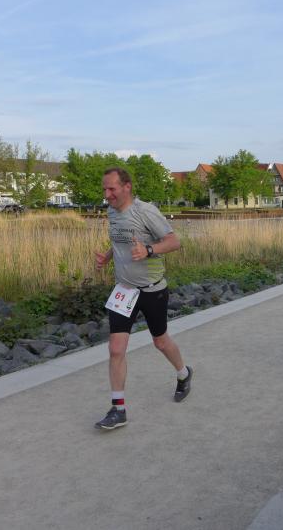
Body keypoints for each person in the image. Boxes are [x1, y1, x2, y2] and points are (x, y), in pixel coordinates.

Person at [94, 167, 193, 430]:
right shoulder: (112, 212)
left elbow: (174, 241)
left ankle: (184, 373)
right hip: (124, 290)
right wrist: (108, 256)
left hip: (152, 290)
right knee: (116, 349)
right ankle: (118, 409)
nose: (107, 194)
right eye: (104, 189)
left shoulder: (145, 211)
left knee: (160, 341)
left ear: (126, 187)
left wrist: (149, 250)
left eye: (112, 189)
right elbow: (120, 242)